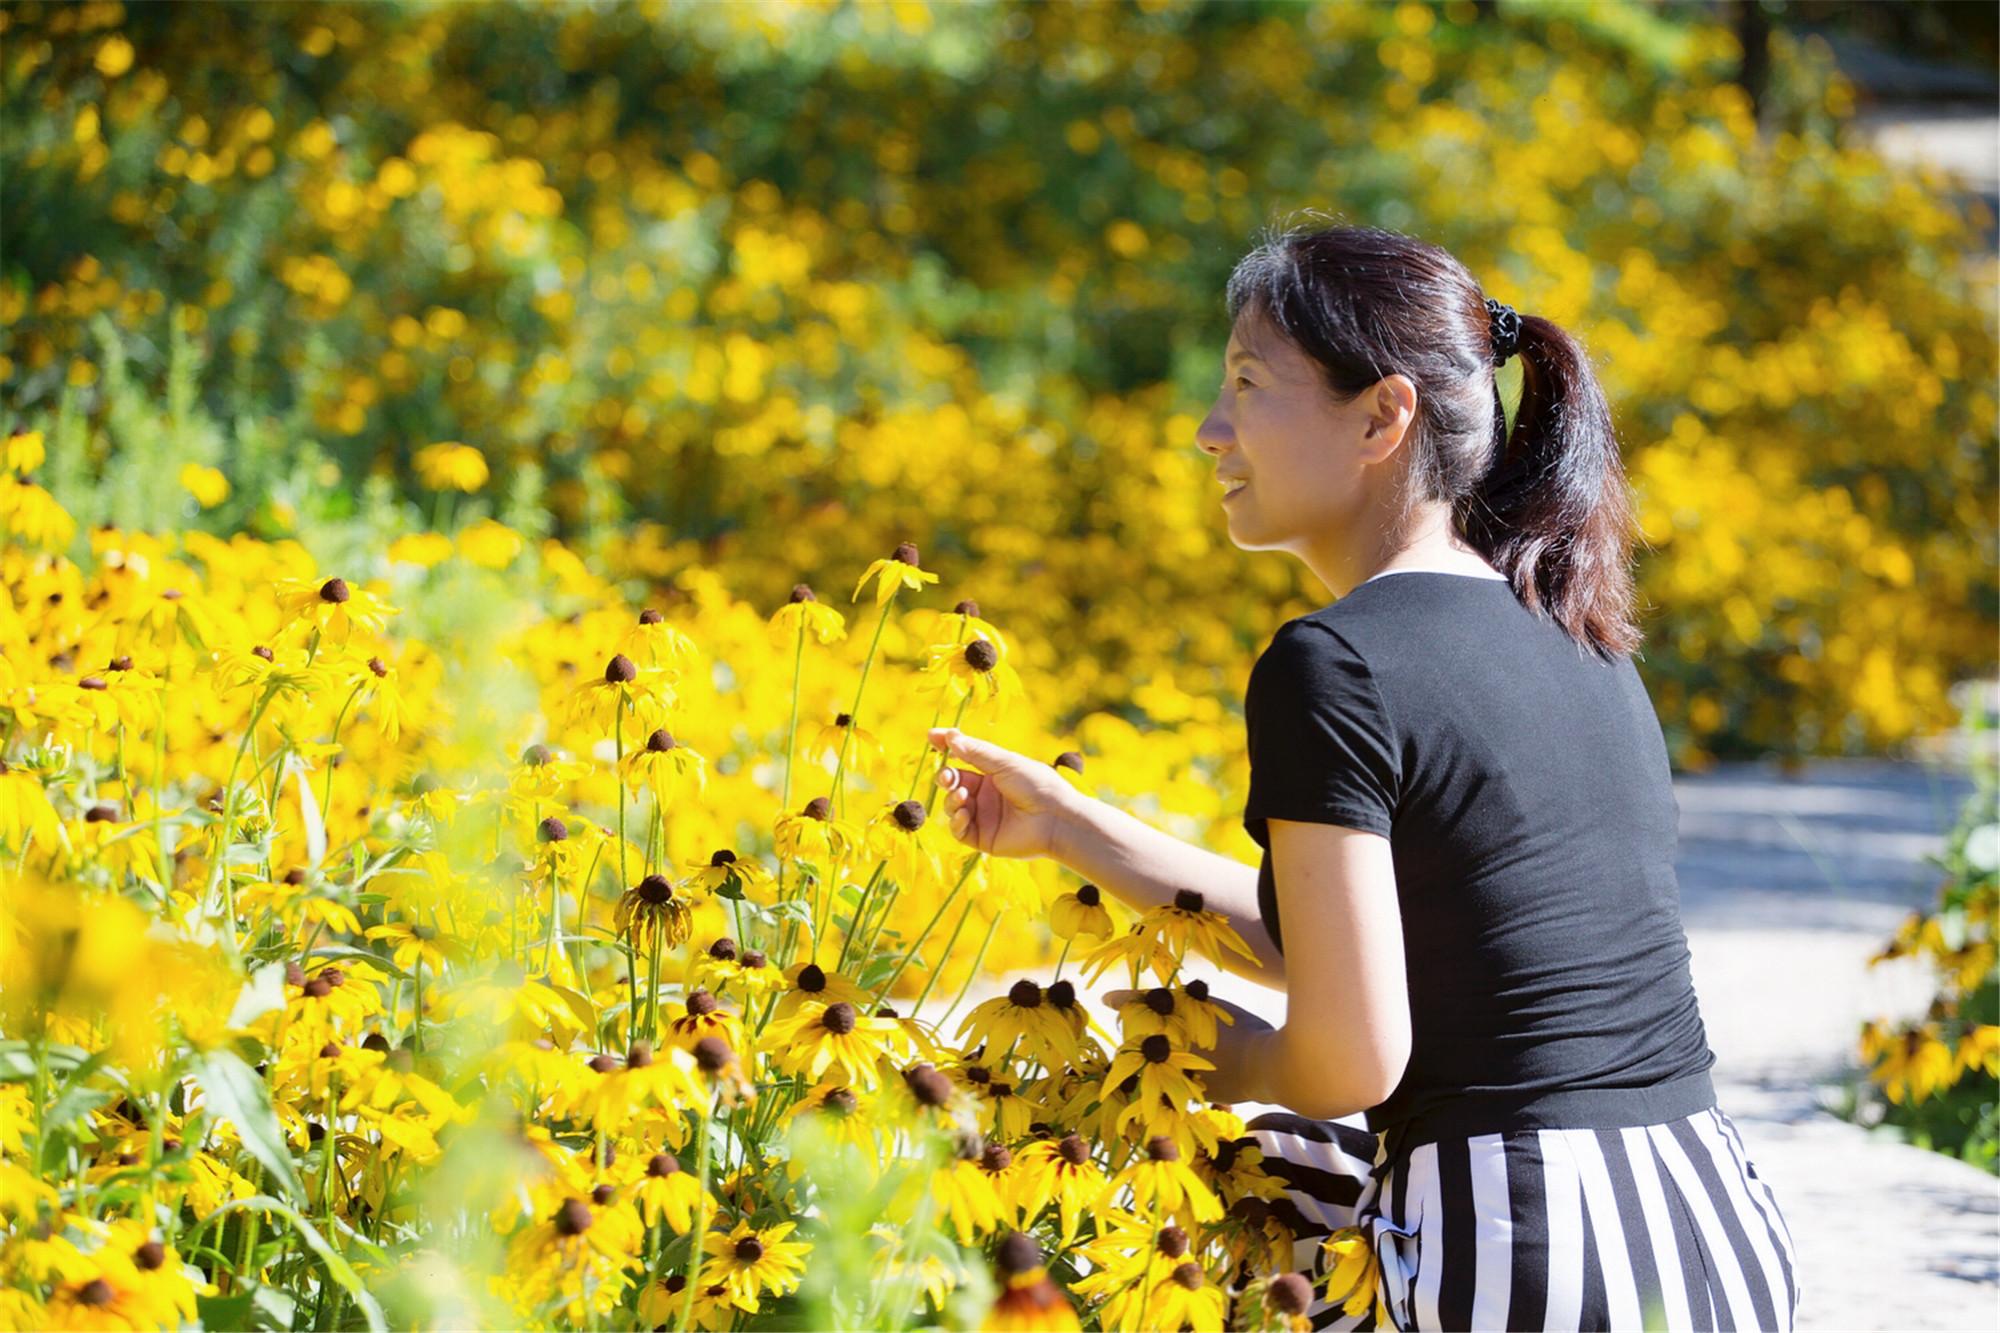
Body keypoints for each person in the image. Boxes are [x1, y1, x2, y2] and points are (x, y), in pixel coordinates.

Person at [926, 220, 1798, 1331]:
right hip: (1706, 1236)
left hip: (1520, 1257)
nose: (1207, 430)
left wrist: (1187, 1057)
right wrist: (1073, 830)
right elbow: (1393, 958)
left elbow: (1349, 1051)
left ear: (1382, 415)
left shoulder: (1331, 661)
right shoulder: (1572, 633)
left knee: (1193, 1208)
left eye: (1245, 384)